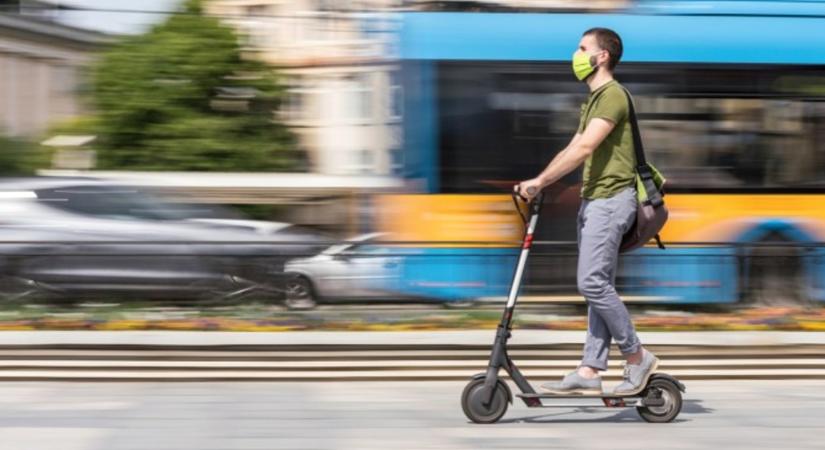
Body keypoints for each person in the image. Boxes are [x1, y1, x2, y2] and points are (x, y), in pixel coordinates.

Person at [517, 27, 659, 395]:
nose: (575, 54)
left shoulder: (612, 95)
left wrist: (541, 183)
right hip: (595, 200)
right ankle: (590, 369)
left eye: (582, 48)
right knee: (600, 284)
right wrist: (539, 180)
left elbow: (585, 150)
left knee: (592, 282)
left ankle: (636, 356)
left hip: (611, 200)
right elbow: (573, 147)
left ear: (602, 56)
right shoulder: (595, 100)